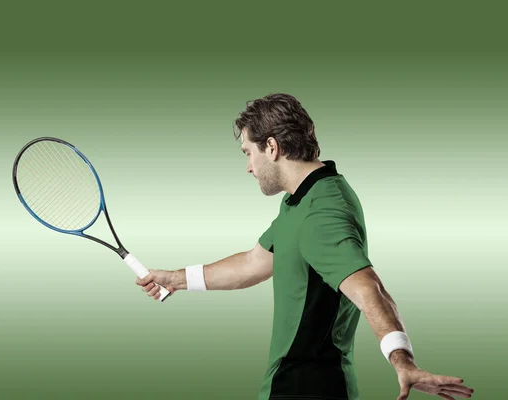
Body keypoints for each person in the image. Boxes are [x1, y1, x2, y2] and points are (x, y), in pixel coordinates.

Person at [136, 93, 475, 400]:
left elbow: (369, 288)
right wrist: (174, 279)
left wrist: (402, 360)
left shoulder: (320, 213)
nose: (248, 167)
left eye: (248, 153)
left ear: (272, 147)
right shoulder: (305, 198)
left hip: (305, 387)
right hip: (302, 383)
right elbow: (254, 263)